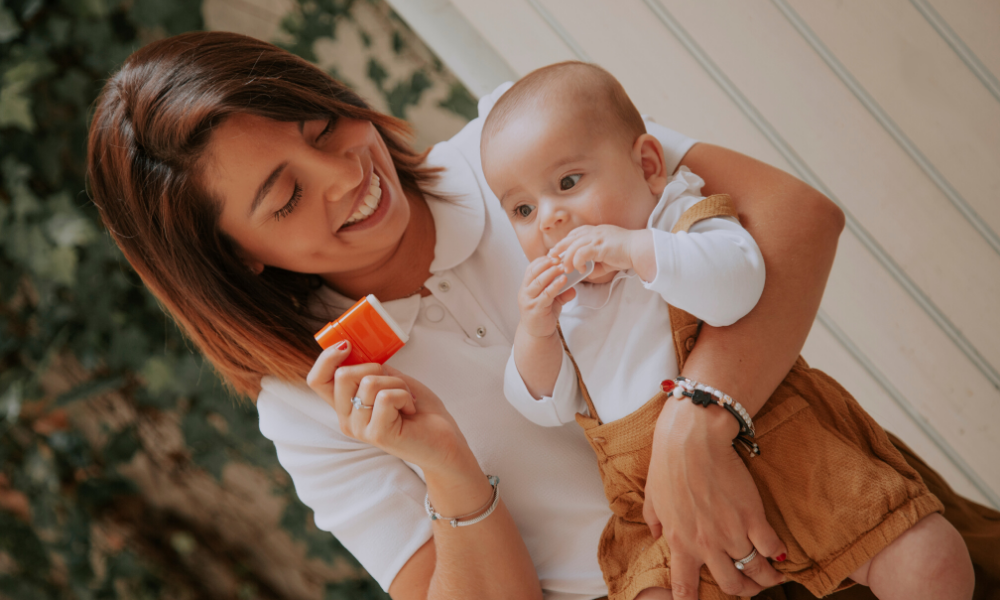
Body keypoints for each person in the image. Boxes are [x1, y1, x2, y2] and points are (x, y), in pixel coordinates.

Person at [85, 31, 999, 600]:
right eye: (285, 197)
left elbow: (795, 219)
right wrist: (444, 467)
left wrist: (696, 428)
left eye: (325, 128)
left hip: (837, 510)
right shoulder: (310, 404)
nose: (345, 176)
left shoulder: (516, 153)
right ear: (237, 256)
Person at [481, 61, 972, 600]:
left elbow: (737, 285)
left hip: (782, 445)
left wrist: (635, 250)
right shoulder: (566, 309)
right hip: (655, 508)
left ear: (648, 165)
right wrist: (536, 332)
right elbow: (544, 404)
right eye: (523, 209)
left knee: (927, 560)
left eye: (568, 183)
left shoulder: (678, 221)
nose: (549, 218)